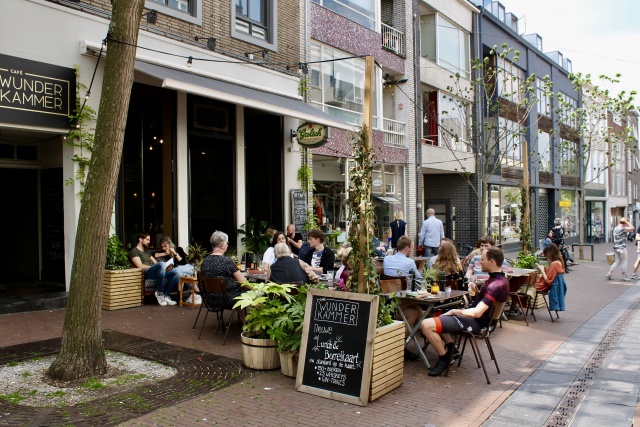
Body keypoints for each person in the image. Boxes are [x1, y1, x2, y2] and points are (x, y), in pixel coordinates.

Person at [420, 246, 509, 377]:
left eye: (483, 259)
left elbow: (477, 313)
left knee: (426, 325)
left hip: (478, 323)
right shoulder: (499, 280)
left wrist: (455, 311)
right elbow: (488, 305)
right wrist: (478, 293)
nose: (480, 262)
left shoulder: (495, 285)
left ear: (492, 262)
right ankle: (451, 349)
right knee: (437, 313)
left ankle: (444, 358)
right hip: (480, 320)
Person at [383, 236, 424, 360]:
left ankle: (401, 346)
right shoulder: (410, 262)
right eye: (411, 248)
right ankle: (425, 327)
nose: (412, 250)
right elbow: (419, 279)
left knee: (413, 313)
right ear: (407, 248)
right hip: (398, 303)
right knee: (415, 307)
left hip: (386, 304)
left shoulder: (386, 259)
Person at [201, 231, 248, 324]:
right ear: (222, 245)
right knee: (252, 294)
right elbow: (243, 282)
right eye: (227, 243)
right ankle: (248, 323)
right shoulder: (227, 261)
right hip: (228, 299)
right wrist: (256, 289)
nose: (227, 245)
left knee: (236, 291)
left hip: (210, 299)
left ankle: (245, 320)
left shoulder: (205, 262)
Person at [129, 232, 179, 306]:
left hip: (156, 273)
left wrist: (164, 266)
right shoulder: (134, 251)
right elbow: (140, 266)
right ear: (140, 239)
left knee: (177, 273)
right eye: (147, 240)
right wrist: (157, 266)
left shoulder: (146, 251)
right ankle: (159, 292)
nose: (149, 242)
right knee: (161, 264)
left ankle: (166, 295)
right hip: (146, 273)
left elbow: (155, 263)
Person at [535, 243, 567, 312]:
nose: (546, 258)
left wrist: (542, 270)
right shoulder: (560, 262)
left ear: (550, 254)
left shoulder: (554, 264)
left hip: (549, 288)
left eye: (547, 255)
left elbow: (548, 281)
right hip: (557, 289)